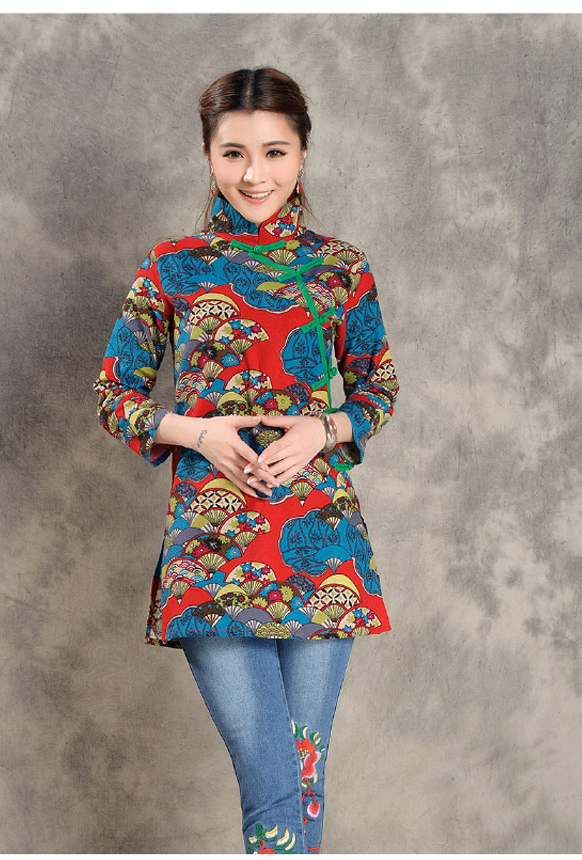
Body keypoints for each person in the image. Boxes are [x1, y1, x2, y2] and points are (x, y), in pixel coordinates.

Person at [94, 67, 398, 854]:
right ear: (207, 155)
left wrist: (324, 431)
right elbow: (114, 395)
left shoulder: (342, 267)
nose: (254, 174)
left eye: (274, 152)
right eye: (234, 153)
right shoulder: (172, 266)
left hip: (323, 552)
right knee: (272, 787)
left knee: (303, 783)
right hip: (211, 554)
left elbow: (378, 385)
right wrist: (197, 434)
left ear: (302, 155)